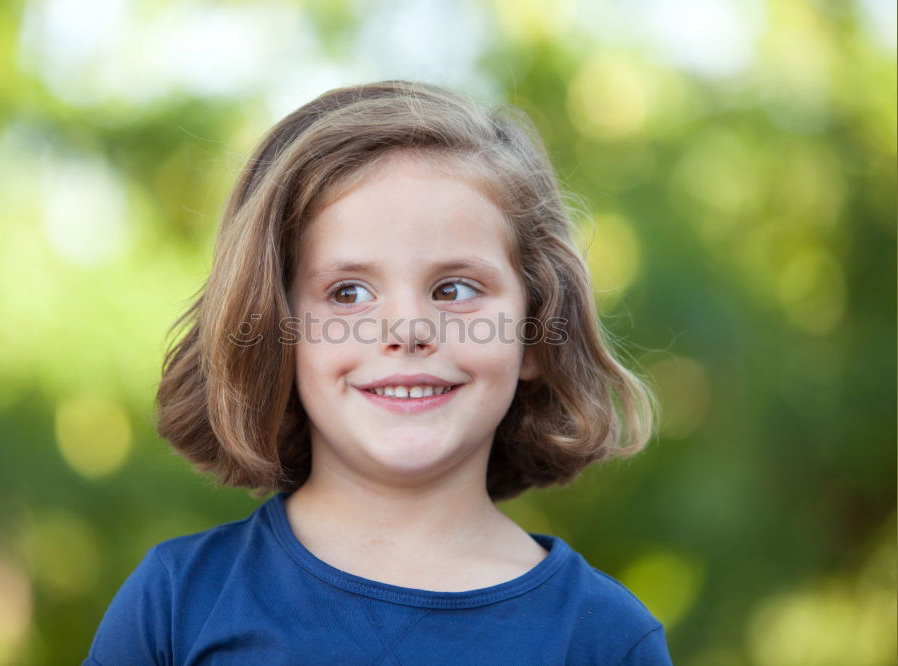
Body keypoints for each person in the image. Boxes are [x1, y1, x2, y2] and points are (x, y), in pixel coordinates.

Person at [83, 80, 672, 665]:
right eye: (347, 292)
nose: (407, 329)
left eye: (457, 288)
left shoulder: (608, 640)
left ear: (535, 334)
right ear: (278, 333)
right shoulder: (176, 604)